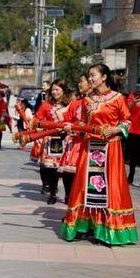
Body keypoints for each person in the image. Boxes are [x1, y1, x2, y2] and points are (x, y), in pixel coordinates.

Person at [61, 64, 137, 245]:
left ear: (104, 77)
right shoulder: (87, 100)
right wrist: (73, 127)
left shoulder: (118, 98)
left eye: (93, 75)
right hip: (91, 147)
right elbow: (83, 123)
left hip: (110, 149)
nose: (90, 79)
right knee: (85, 187)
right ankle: (85, 226)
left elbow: (127, 121)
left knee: (110, 187)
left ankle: (110, 230)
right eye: (89, 76)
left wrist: (116, 129)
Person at [32, 80, 70, 205]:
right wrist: (39, 125)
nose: (54, 92)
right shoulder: (46, 105)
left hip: (67, 140)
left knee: (66, 170)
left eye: (57, 89)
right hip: (52, 140)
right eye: (53, 90)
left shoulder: (70, 105)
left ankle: (68, 195)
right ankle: (53, 194)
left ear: (63, 90)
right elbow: (37, 119)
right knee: (51, 170)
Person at [58, 75, 91, 203]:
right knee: (68, 175)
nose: (79, 84)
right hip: (75, 143)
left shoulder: (98, 104)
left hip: (90, 145)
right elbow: (66, 119)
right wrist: (67, 131)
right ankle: (70, 203)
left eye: (81, 81)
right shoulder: (76, 104)